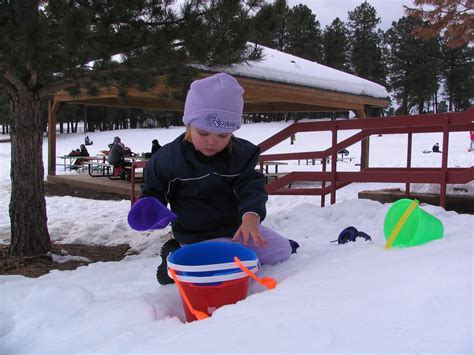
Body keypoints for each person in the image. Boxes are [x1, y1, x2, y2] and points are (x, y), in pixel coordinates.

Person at [141, 73, 299, 285]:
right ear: (189, 123)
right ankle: (173, 258)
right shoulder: (168, 160)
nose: (211, 142)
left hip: (236, 228)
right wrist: (151, 211)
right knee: (232, 267)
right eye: (203, 133)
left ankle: (215, 258)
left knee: (282, 250)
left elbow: (251, 187)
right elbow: (153, 192)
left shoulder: (240, 155)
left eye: (222, 136)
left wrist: (251, 217)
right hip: (195, 233)